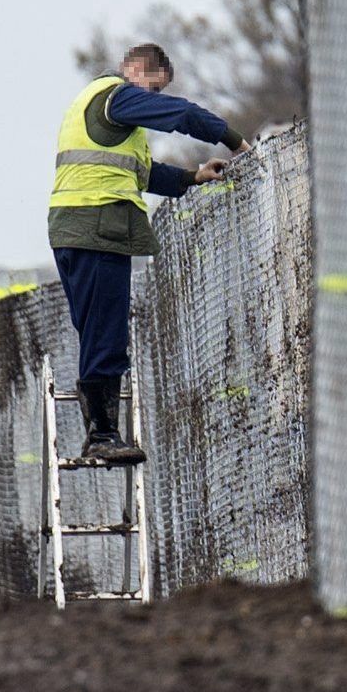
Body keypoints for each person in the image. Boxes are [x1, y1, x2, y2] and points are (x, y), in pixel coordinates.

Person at [47, 43, 250, 465]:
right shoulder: (116, 96)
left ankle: (100, 433)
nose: (152, 100)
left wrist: (193, 176)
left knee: (94, 331)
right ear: (134, 69)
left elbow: (144, 174)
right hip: (100, 228)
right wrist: (236, 141)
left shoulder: (97, 111)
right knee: (107, 333)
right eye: (153, 88)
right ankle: (103, 436)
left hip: (71, 230)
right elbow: (183, 115)